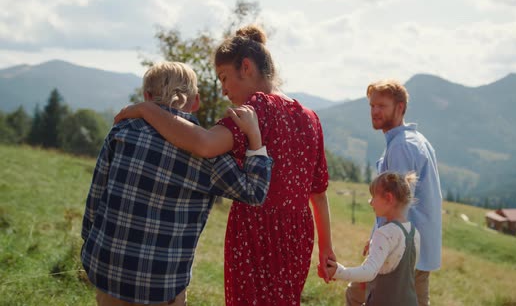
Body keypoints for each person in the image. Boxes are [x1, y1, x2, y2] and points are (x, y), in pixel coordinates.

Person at [114, 25, 334, 306]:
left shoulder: (257, 107)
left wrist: (147, 109)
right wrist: (326, 247)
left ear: (246, 67)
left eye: (224, 78)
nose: (223, 90)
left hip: (257, 232)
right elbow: (318, 191)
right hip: (297, 235)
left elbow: (204, 143)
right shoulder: (310, 116)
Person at [81, 61, 273, 306]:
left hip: (105, 268)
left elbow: (96, 195)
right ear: (195, 102)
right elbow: (254, 192)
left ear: (147, 97)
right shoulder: (206, 153)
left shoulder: (122, 131)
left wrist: (89, 247)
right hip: (162, 284)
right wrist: (254, 138)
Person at [346, 79, 442, 306]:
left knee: (357, 294)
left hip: (401, 249)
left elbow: (394, 201)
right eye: (372, 106)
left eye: (382, 106)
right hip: (417, 247)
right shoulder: (416, 140)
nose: (375, 111)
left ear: (400, 107)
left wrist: (381, 239)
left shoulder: (401, 146)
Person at [328, 172, 421, 306]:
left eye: (373, 197)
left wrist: (338, 271)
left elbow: (369, 272)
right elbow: (402, 271)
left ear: (388, 198)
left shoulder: (384, 233)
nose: (370, 202)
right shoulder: (414, 232)